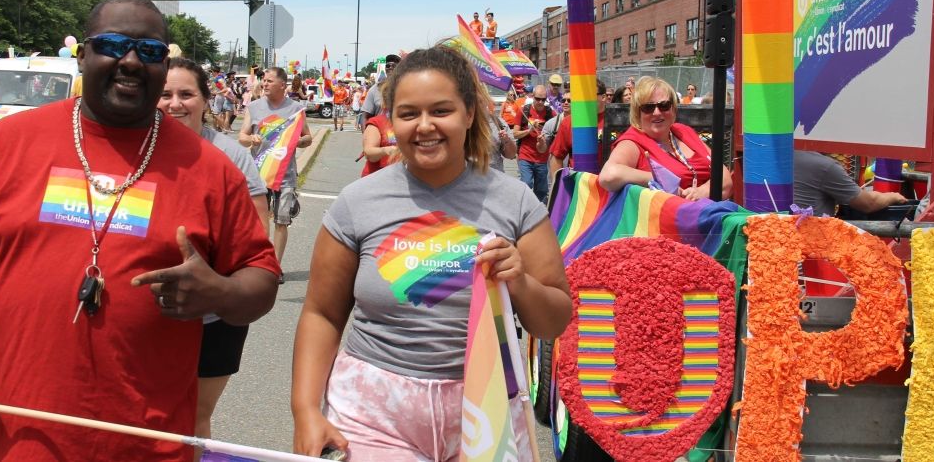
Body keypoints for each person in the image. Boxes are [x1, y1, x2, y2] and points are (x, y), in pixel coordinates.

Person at [0, 0, 280, 461]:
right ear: (82, 55)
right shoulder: (6, 144)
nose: (130, 62)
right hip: (22, 442)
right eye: (113, 45)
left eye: (149, 52)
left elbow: (261, 280)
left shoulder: (209, 168)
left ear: (164, 65)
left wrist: (219, 293)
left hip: (150, 445)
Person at [290, 45, 571, 460]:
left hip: (487, 405)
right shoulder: (356, 202)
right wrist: (304, 410)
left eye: (441, 111)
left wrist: (521, 282)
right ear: (391, 120)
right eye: (408, 114)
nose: (425, 127)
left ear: (470, 113)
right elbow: (321, 313)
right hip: (375, 412)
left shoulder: (517, 202)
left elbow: (553, 322)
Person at [158, 57, 270, 458]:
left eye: (186, 94)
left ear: (206, 100)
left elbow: (259, 231)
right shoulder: (136, 150)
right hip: (147, 313)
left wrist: (221, 282)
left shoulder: (230, 154)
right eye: (165, 94)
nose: (174, 103)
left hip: (215, 315)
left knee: (193, 416)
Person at [599, 76, 733, 199]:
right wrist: (658, 178)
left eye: (664, 106)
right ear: (637, 112)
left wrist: (702, 191)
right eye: (648, 107)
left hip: (710, 214)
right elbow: (608, 176)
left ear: (673, 109)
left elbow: (724, 177)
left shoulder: (684, 131)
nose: (657, 112)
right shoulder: (633, 141)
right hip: (667, 220)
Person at [240, 67, 313, 283]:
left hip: (285, 174)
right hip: (259, 173)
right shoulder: (253, 107)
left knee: (282, 221)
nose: (265, 83)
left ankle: (276, 266)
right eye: (263, 80)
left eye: (270, 80)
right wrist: (251, 138)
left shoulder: (296, 109)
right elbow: (242, 136)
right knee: (258, 221)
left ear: (283, 85)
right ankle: (257, 262)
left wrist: (299, 142)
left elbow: (307, 137)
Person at [793, 150, 907, 216]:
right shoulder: (825, 166)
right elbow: (868, 203)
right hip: (810, 245)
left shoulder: (782, 156)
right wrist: (893, 196)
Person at [549, 81, 609, 174]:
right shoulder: (569, 122)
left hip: (609, 183)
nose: (586, 100)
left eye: (590, 96)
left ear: (603, 97)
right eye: (583, 96)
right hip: (579, 183)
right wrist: (558, 185)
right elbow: (556, 156)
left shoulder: (616, 120)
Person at [515, 85, 554, 202]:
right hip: (525, 156)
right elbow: (515, 134)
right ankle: (524, 208)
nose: (540, 102)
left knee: (541, 191)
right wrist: (529, 130)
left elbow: (558, 127)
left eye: (543, 99)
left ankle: (539, 213)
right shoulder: (524, 111)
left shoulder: (550, 113)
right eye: (538, 99)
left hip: (542, 158)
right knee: (526, 184)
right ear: (532, 97)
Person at [359, 54, 401, 128]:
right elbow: (365, 116)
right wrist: (367, 135)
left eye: (394, 65)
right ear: (385, 69)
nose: (390, 67)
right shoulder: (375, 89)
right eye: (387, 66)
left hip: (401, 134)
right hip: (380, 134)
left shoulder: (407, 88)